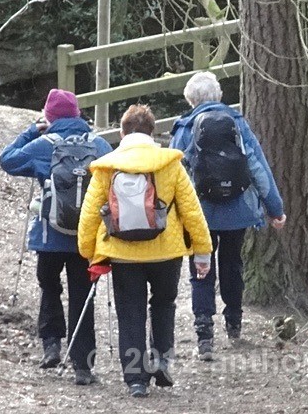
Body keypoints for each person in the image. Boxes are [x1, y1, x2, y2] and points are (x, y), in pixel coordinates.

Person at [78, 104, 213, 398]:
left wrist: (89, 252)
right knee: (164, 304)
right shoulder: (170, 163)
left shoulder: (106, 165)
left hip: (123, 252)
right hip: (167, 252)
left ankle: (135, 379)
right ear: (152, 132)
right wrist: (202, 252)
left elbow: (89, 214)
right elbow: (192, 211)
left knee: (130, 312)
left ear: (123, 132)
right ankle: (162, 359)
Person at [169, 71, 287, 362]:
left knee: (201, 268)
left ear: (191, 99)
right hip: (238, 210)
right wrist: (275, 208)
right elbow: (258, 167)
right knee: (233, 263)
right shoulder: (238, 124)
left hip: (201, 213)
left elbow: (173, 173)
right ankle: (233, 322)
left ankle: (204, 335)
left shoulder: (184, 127)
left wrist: (173, 214)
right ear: (219, 96)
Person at [0, 88, 112, 385]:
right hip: (85, 238)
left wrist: (30, 132)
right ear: (77, 115)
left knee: (49, 286)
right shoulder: (99, 144)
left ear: (49, 117)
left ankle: (51, 345)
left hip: (50, 236)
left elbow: (7, 160)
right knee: (81, 294)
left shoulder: (43, 144)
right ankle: (83, 365)